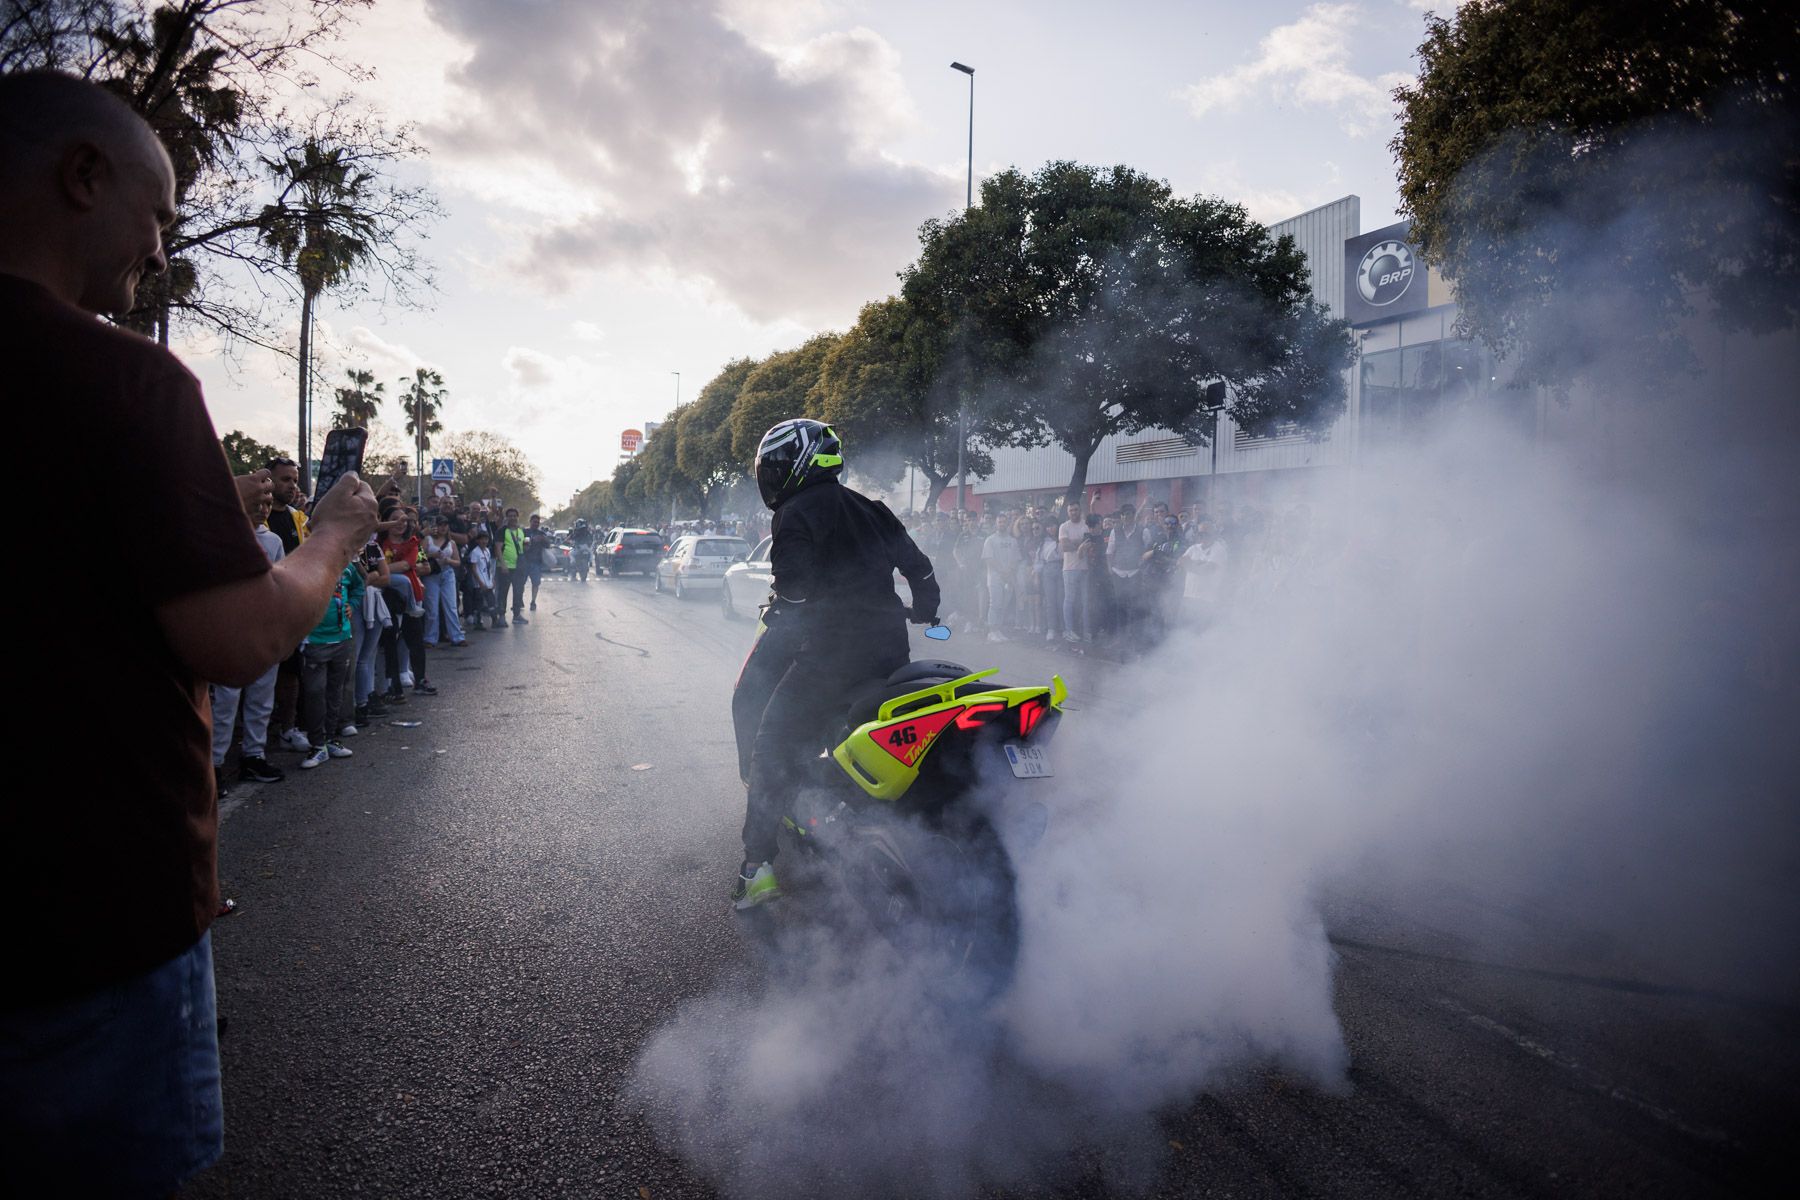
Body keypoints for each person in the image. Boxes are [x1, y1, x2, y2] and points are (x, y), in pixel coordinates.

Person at [0, 69, 380, 1198]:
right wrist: (335, 540)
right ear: (83, 176)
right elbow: (238, 637)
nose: (160, 254)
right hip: (84, 932)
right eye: (159, 216)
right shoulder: (122, 382)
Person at [730, 419, 939, 910]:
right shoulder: (873, 508)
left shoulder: (795, 512)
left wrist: (787, 605)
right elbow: (921, 570)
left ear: (795, 466)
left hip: (827, 661)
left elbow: (796, 589)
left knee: (771, 747)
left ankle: (756, 868)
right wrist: (925, 610)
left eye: (776, 466)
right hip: (890, 655)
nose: (773, 476)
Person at [211, 491, 289, 791]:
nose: (263, 509)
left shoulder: (273, 541)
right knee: (226, 701)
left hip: (263, 630)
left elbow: (279, 584)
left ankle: (253, 756)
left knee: (261, 698)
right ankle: (215, 764)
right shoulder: (224, 534)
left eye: (268, 503)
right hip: (232, 630)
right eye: (256, 503)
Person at [298, 558, 364, 769]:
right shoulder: (306, 563)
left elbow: (358, 587)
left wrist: (351, 606)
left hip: (342, 639)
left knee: (335, 692)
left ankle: (330, 740)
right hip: (315, 642)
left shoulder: (346, 565)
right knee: (315, 692)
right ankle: (317, 745)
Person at [1058, 501, 1089, 643]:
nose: (1073, 513)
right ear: (1068, 512)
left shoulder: (1085, 525)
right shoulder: (1064, 527)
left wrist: (1075, 544)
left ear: (1080, 510)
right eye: (1071, 510)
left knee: (1086, 601)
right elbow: (1064, 546)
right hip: (1069, 568)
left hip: (1084, 568)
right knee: (1069, 600)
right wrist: (1081, 544)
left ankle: (1086, 630)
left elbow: (1090, 544)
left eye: (1075, 510)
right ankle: (1068, 631)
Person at [496, 507, 530, 625]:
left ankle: (516, 615)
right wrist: (503, 564)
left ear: (517, 517)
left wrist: (527, 546)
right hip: (505, 567)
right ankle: (501, 616)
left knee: (518, 591)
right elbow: (498, 548)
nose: (513, 518)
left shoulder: (521, 531)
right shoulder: (502, 531)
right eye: (510, 516)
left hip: (519, 567)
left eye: (514, 516)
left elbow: (524, 547)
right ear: (507, 517)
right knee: (503, 592)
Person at [523, 513, 550, 610]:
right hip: (525, 561)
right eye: (534, 522)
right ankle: (519, 600)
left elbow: (548, 545)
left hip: (536, 562)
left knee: (536, 583)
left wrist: (544, 539)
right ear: (530, 522)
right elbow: (523, 545)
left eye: (538, 522)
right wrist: (532, 540)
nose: (536, 524)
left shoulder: (541, 534)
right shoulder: (524, 532)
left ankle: (533, 601)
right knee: (521, 583)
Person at [569, 517, 595, 581]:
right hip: (586, 547)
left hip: (579, 547)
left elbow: (572, 538)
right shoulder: (587, 531)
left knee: (570, 554)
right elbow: (591, 539)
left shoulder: (576, 531)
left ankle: (573, 563)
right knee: (591, 553)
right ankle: (591, 562)